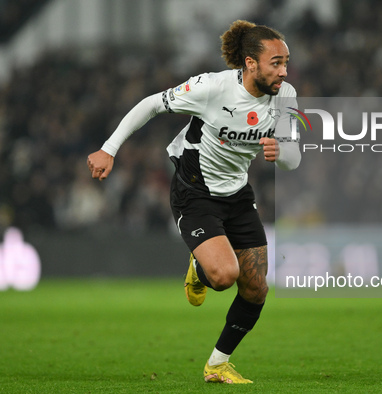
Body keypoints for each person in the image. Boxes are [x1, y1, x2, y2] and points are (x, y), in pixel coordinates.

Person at [86, 20, 300, 384]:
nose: (283, 71)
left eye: (285, 62)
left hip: (237, 193)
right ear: (250, 64)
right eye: (275, 63)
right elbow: (152, 104)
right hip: (194, 192)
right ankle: (199, 270)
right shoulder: (212, 87)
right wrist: (109, 149)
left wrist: (280, 151)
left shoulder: (285, 95)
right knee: (223, 276)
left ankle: (217, 364)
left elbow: (293, 158)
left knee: (256, 287)